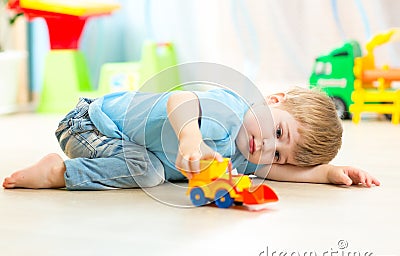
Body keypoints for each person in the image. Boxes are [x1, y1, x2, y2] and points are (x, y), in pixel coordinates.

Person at [2, 87, 380, 190]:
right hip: (91, 126)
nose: (267, 147)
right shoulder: (228, 109)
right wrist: (189, 139)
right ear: (272, 101)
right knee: (149, 172)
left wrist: (328, 173)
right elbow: (181, 100)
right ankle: (57, 173)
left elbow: (278, 172)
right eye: (279, 132)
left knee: (149, 169)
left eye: (279, 154)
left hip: (118, 143)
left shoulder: (252, 150)